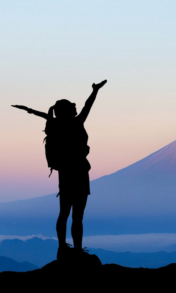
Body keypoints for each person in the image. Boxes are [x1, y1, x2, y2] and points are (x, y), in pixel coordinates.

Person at [12, 80, 107, 259]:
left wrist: (29, 110)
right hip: (79, 172)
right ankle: (77, 250)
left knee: (64, 212)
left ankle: (62, 246)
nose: (76, 108)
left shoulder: (56, 125)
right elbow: (88, 105)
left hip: (65, 173)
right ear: (69, 111)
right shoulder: (77, 122)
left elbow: (46, 117)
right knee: (78, 215)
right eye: (72, 107)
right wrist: (95, 91)